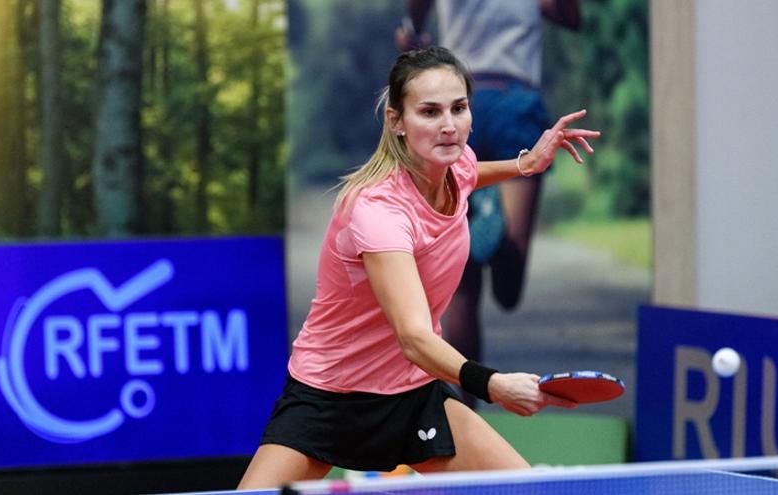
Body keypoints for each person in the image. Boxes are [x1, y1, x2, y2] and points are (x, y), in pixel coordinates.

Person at [237, 46, 599, 489]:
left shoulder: (454, 163)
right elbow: (413, 337)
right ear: (397, 121)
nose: (449, 125)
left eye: (459, 108)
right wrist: (494, 385)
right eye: (429, 112)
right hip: (331, 395)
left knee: (527, 489)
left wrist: (525, 164)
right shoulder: (378, 210)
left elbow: (469, 173)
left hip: (412, 393)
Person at [396, 0, 582, 407]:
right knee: (507, 290)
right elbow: (570, 17)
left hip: (462, 105)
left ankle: (477, 231)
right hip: (512, 101)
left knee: (463, 277)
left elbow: (417, 9)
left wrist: (413, 29)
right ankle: (487, 232)